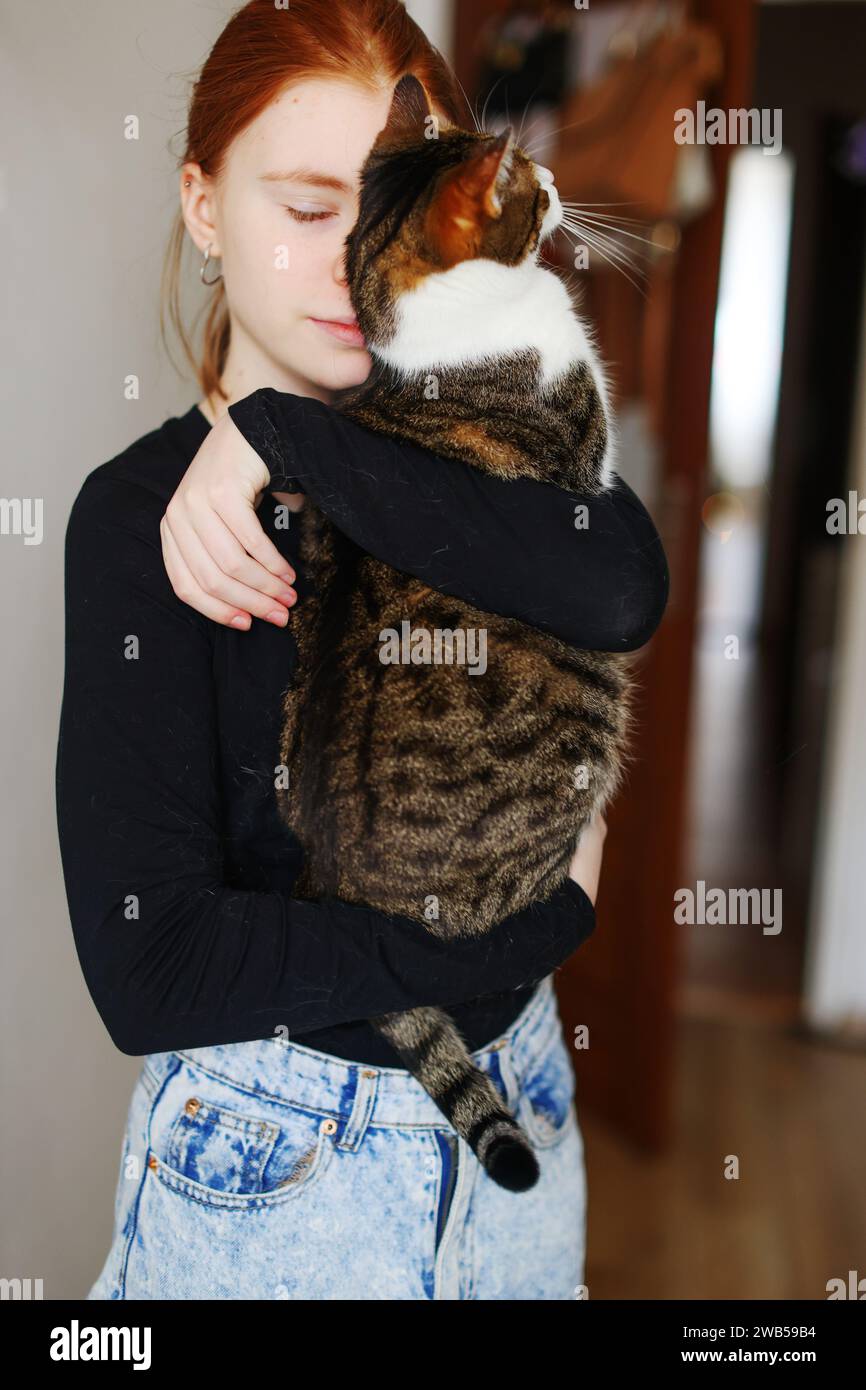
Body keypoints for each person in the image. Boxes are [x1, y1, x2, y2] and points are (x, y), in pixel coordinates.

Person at [56, 0, 667, 1301]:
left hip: (520, 1111)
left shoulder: (472, 439)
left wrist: (286, 429)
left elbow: (622, 588)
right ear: (205, 204)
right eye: (304, 206)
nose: (356, 261)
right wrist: (539, 922)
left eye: (390, 200)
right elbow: (153, 970)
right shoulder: (136, 518)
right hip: (281, 1172)